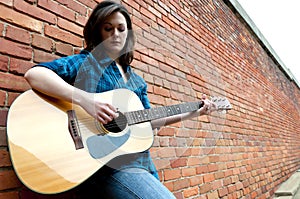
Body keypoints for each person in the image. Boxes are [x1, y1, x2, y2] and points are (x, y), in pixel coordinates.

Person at [24, 1, 214, 198]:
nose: (115, 34)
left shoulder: (137, 82)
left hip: (141, 165)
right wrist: (86, 100)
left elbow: (148, 121)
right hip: (103, 167)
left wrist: (195, 112)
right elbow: (35, 75)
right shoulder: (85, 63)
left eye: (121, 29)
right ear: (99, 32)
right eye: (108, 28)